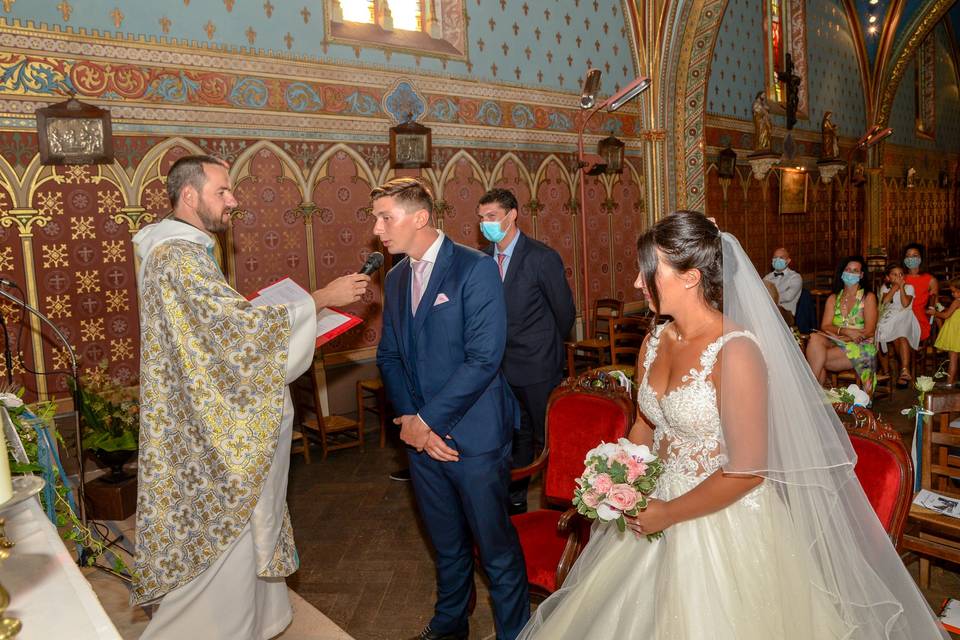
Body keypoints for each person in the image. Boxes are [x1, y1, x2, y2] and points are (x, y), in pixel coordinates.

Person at [517, 211, 947, 639]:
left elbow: (748, 470)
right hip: (652, 505)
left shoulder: (735, 350)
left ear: (690, 277)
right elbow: (647, 423)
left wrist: (668, 513)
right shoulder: (654, 340)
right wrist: (616, 475)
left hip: (722, 518)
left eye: (648, 271)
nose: (636, 282)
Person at [131, 155, 370, 640]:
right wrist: (322, 297)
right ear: (189, 196)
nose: (233, 200)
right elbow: (237, 333)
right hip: (211, 433)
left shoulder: (180, 250)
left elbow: (215, 332)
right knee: (228, 534)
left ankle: (255, 620)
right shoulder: (177, 257)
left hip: (199, 411)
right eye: (222, 191)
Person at [373, 177, 529, 640]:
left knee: (495, 549)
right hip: (421, 441)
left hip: (475, 438)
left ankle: (515, 632)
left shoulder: (474, 268)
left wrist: (427, 422)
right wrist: (410, 421)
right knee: (445, 544)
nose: (378, 229)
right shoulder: (396, 277)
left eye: (385, 218)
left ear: (419, 217)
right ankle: (449, 624)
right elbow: (389, 356)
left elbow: (483, 360)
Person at [478, 188, 576, 514]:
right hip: (499, 367)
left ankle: (557, 502)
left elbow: (564, 312)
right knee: (514, 434)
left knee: (546, 436)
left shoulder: (541, 257)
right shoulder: (482, 260)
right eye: (482, 218)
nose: (485, 224)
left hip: (538, 365)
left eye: (492, 216)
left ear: (512, 215)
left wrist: (545, 348)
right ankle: (516, 497)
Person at [805, 256, 878, 396]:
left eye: (855, 271)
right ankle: (814, 391)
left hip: (859, 345)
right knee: (814, 338)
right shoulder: (833, 298)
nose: (851, 273)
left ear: (861, 275)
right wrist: (845, 332)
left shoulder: (868, 297)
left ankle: (812, 390)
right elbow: (825, 326)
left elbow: (869, 331)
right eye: (848, 270)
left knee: (818, 358)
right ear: (842, 273)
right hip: (836, 341)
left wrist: (848, 337)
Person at [875, 264, 920, 386]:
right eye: (894, 274)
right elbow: (885, 302)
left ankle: (904, 370)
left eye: (901, 274)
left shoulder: (909, 287)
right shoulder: (885, 288)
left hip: (905, 316)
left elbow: (905, 304)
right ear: (888, 277)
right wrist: (894, 288)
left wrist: (901, 287)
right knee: (878, 333)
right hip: (889, 317)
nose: (898, 277)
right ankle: (885, 371)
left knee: (901, 335)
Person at [903, 242, 939, 345]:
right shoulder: (900, 277)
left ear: (921, 258)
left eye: (915, 255)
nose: (911, 258)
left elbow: (935, 303)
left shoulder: (930, 280)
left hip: (919, 316)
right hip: (901, 313)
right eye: (908, 256)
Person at [931, 278, 960, 386]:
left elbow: (946, 315)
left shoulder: (957, 301)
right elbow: (949, 311)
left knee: (953, 359)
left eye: (954, 291)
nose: (952, 294)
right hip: (957, 331)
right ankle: (953, 381)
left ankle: (949, 384)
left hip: (954, 332)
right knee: (955, 358)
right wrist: (938, 305)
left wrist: (934, 313)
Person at [762, 247, 802, 317]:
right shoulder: (767, 278)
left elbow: (788, 297)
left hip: (786, 315)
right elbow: (761, 294)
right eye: (775, 257)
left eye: (781, 257)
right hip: (768, 311)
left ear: (788, 261)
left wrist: (769, 297)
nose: (777, 260)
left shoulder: (795, 277)